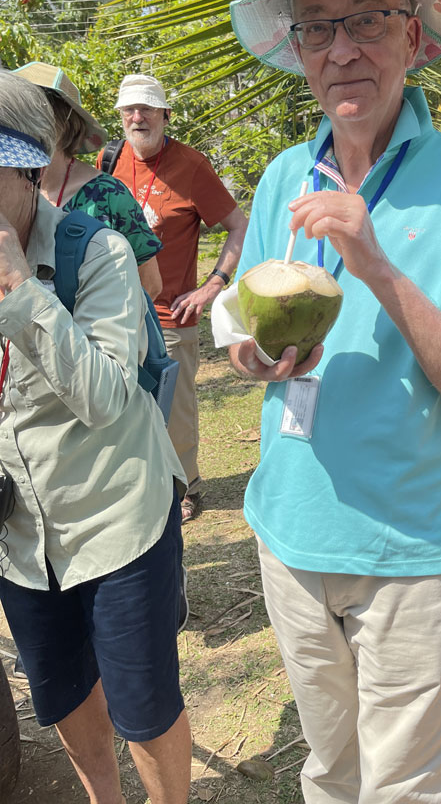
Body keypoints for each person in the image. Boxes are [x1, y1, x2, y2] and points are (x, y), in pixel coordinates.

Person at [217, 0, 441, 803]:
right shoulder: (284, 176)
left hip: (410, 550)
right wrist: (253, 357)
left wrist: (379, 268)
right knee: (329, 771)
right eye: (318, 27)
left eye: (366, 18)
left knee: (405, 788)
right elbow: (240, 328)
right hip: (289, 531)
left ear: (411, 35)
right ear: (297, 50)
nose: (342, 48)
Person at [0, 70, 191, 804]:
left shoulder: (98, 251)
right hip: (23, 541)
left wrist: (21, 291)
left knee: (144, 708)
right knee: (66, 696)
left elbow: (108, 399)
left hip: (117, 521)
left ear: (27, 171)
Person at [98, 74, 248, 522]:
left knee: (175, 409)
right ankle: (138, 485)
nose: (137, 117)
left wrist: (213, 284)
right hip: (112, 310)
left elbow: (239, 227)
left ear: (165, 115)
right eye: (129, 110)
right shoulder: (108, 160)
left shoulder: (191, 166)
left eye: (146, 109)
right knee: (122, 403)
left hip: (170, 314)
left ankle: (185, 487)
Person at [13, 60, 163, 299]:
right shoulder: (9, 188)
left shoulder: (108, 195)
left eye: (35, 111)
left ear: (66, 121)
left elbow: (150, 285)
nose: (22, 124)